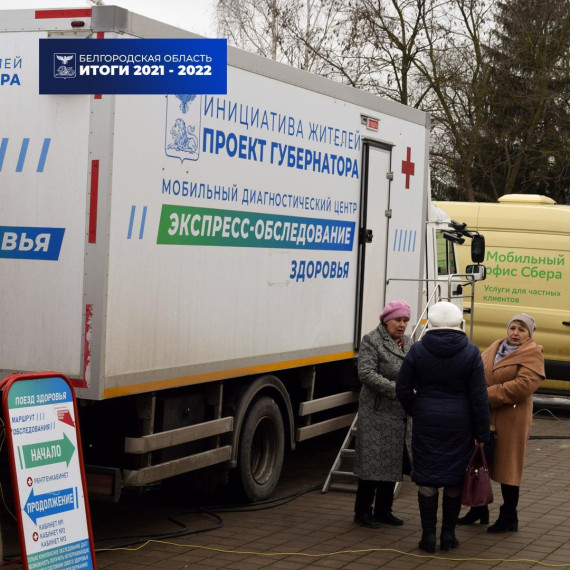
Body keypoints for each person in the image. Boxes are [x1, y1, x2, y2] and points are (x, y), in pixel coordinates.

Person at [397, 301, 489, 553]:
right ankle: (448, 535)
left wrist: (416, 408)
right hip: (461, 423)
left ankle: (428, 537)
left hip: (426, 419)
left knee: (427, 477)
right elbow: (479, 397)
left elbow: (402, 388)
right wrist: (482, 434)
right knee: (454, 478)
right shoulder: (471, 352)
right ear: (459, 323)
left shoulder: (417, 350)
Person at [458, 313, 545, 533]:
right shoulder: (493, 348)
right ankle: (478, 509)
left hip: (512, 419)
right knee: (479, 461)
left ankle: (509, 517)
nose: (515, 333)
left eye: (522, 329)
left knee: (509, 467)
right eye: (513, 327)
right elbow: (476, 372)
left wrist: (484, 395)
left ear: (529, 334)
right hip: (485, 416)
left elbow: (523, 385)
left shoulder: (533, 354)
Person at [353, 300, 413, 528]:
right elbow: (366, 373)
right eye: (398, 320)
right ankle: (362, 512)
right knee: (372, 465)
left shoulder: (408, 342)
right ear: (387, 320)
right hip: (377, 412)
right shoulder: (371, 340)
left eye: (406, 320)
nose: (402, 325)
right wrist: (397, 389)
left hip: (399, 414)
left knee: (392, 462)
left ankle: (384, 510)